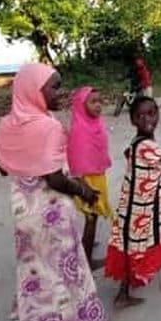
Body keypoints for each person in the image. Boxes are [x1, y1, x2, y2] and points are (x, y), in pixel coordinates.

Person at [0, 64, 111, 321]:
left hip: (22, 209)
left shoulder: (8, 123)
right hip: (52, 212)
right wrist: (83, 192)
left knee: (34, 275)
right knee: (64, 275)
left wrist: (25, 163)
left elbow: (4, 168)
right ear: (35, 91)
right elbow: (55, 179)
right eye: (54, 87)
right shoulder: (48, 127)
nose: (60, 93)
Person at [104, 97, 161, 308]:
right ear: (133, 120)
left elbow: (131, 154)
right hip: (141, 209)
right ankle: (122, 294)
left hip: (145, 207)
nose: (147, 119)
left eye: (152, 113)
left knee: (158, 238)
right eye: (140, 116)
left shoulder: (138, 142)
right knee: (136, 246)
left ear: (158, 114)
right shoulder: (145, 145)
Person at [68, 86, 112, 269]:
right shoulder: (79, 129)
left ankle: (86, 243)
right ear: (81, 104)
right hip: (86, 180)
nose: (98, 105)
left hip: (98, 174)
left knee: (92, 216)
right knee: (92, 217)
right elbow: (75, 159)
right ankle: (87, 260)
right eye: (93, 102)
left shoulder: (97, 123)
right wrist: (83, 186)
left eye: (100, 101)